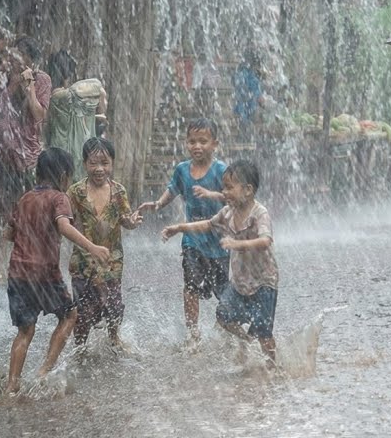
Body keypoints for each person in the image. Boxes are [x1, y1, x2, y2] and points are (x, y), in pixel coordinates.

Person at [3, 147, 110, 395]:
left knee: (25, 331)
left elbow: (8, 234)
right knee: (70, 315)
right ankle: (44, 371)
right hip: (45, 274)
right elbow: (63, 225)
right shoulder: (59, 198)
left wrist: (30, 236)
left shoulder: (25, 198)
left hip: (18, 273)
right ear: (63, 175)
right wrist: (92, 247)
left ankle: (12, 385)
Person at [161, 160, 278, 366]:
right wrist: (179, 227)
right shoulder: (228, 212)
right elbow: (208, 224)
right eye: (223, 187)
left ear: (248, 190)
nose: (224, 192)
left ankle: (273, 366)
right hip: (241, 281)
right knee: (224, 315)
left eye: (230, 188)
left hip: (264, 282)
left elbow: (266, 241)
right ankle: (246, 340)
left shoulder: (260, 213)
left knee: (264, 331)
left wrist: (236, 244)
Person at [138, 119, 228, 341]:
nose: (197, 146)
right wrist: (158, 203)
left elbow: (232, 197)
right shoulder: (182, 170)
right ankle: (193, 332)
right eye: (192, 141)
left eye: (203, 141)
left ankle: (225, 327)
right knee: (190, 285)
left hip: (219, 242)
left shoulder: (221, 170)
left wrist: (211, 194)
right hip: (192, 240)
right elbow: (173, 190)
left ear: (214, 144)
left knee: (224, 293)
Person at [66, 137, 141, 348]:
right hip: (83, 262)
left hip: (111, 261)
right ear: (84, 164)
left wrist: (132, 222)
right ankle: (79, 346)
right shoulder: (75, 192)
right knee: (82, 309)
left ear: (112, 163)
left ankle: (114, 338)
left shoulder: (118, 192)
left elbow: (125, 219)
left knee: (114, 304)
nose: (99, 169)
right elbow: (66, 223)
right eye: (93, 163)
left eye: (105, 163)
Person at [0, 36, 52, 227]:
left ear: (30, 59)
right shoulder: (5, 77)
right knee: (1, 211)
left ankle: (27, 248)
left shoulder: (41, 79)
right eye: (13, 55)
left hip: (26, 158)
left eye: (20, 55)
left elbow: (39, 114)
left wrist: (29, 87)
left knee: (27, 208)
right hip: (4, 155)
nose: (14, 59)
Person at [45, 49, 108, 181]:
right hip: (73, 153)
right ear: (67, 74)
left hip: (57, 152)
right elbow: (99, 89)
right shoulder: (64, 96)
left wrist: (94, 117)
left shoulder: (51, 95)